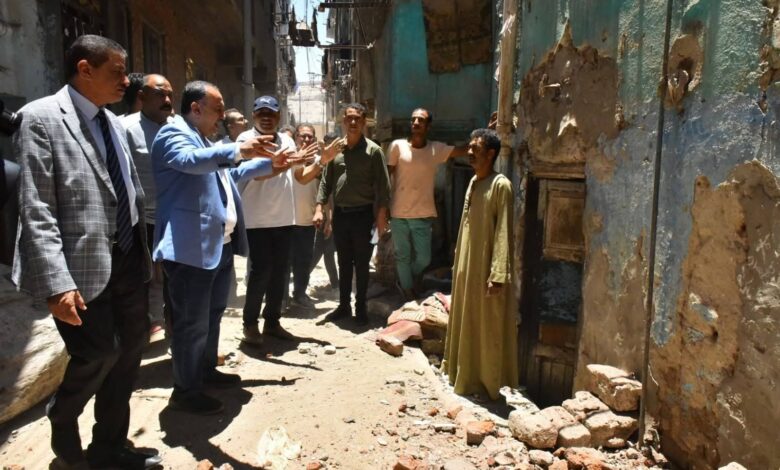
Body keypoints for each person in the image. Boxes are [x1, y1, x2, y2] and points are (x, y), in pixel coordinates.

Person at [12, 35, 161, 469]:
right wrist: (56, 283)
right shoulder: (40, 118)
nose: (126, 81)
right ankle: (63, 418)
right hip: (80, 268)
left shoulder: (112, 122)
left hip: (128, 260)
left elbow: (126, 192)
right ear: (84, 69)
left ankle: (109, 447)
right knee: (98, 353)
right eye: (117, 71)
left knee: (129, 354)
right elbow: (36, 206)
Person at [151, 81, 282, 415]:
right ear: (196, 108)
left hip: (216, 247)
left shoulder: (205, 141)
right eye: (218, 109)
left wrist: (274, 164)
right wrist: (238, 149)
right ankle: (185, 391)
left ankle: (205, 371)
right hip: (190, 250)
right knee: (191, 324)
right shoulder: (173, 134)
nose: (222, 116)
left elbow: (230, 175)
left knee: (211, 317)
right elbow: (189, 160)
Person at [442, 128, 518, 400]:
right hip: (467, 267)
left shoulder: (501, 185)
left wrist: (498, 274)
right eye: (470, 147)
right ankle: (465, 375)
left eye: (476, 148)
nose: (470, 152)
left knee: (487, 326)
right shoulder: (474, 181)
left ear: (491, 154)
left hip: (486, 269)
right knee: (467, 319)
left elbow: (503, 231)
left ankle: (487, 384)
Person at [238, 96, 318, 344]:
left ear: (278, 116)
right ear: (253, 116)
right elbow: (256, 174)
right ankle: (250, 324)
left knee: (280, 273)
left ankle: (272, 322)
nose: (266, 117)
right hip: (256, 219)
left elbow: (300, 176)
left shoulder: (287, 141)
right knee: (261, 272)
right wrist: (288, 163)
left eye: (271, 113)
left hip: (284, 218)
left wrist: (321, 161)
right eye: (261, 113)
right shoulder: (246, 141)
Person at [314, 103, 391, 325]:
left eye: (358, 118)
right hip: (341, 216)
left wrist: (381, 218)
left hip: (363, 216)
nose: (353, 122)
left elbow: (384, 187)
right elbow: (326, 182)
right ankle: (343, 306)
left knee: (362, 264)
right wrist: (319, 208)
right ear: (343, 122)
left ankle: (360, 308)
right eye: (349, 118)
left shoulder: (373, 151)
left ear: (364, 122)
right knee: (344, 262)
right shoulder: (335, 149)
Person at [387, 108, 467, 300]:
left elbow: (462, 150)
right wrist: (382, 206)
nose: (415, 123)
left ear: (428, 126)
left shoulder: (435, 149)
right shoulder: (397, 146)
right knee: (402, 255)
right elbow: (385, 177)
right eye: (413, 120)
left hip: (422, 213)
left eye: (420, 120)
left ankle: (406, 279)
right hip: (398, 212)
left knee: (424, 259)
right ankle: (407, 290)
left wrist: (488, 131)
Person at [123, 73, 175, 338]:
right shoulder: (124, 128)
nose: (167, 100)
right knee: (144, 278)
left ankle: (174, 334)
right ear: (141, 97)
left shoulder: (180, 127)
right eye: (159, 94)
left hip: (175, 220)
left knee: (174, 281)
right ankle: (144, 329)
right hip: (142, 223)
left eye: (169, 95)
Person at [286, 124, 342, 308]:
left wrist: (329, 219)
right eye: (302, 136)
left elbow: (326, 192)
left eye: (310, 136)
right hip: (285, 220)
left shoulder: (321, 162)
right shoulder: (287, 159)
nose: (306, 139)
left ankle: (300, 294)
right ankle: (282, 297)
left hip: (309, 221)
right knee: (285, 262)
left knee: (304, 261)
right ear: (295, 137)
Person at [309, 132, 341, 291]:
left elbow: (330, 196)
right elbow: (325, 195)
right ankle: (334, 283)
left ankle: (303, 280)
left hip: (329, 214)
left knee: (323, 250)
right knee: (324, 250)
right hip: (323, 214)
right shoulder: (324, 163)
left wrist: (330, 219)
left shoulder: (337, 163)